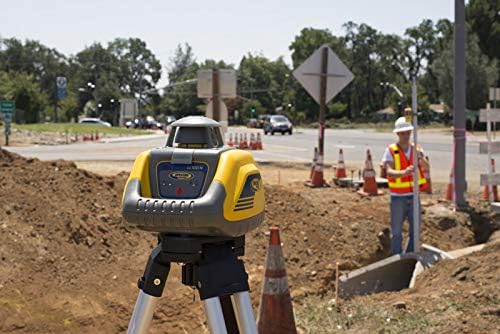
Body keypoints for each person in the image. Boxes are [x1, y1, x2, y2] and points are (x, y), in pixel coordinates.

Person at [381, 117, 429, 255]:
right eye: (402, 133)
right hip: (398, 198)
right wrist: (404, 172)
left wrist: (421, 158)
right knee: (397, 232)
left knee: (415, 230)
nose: (405, 135)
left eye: (408, 132)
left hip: (414, 196)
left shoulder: (417, 148)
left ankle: (409, 255)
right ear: (397, 134)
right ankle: (397, 257)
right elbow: (389, 172)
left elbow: (426, 167)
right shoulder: (391, 150)